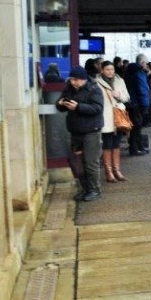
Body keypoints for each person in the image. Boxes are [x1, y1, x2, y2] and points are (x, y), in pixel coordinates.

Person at [56, 66, 104, 202]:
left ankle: (95, 190)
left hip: (91, 130)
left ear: (83, 79)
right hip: (75, 130)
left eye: (76, 80)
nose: (73, 82)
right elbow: (60, 104)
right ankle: (85, 189)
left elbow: (98, 108)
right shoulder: (68, 89)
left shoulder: (94, 89)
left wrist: (78, 107)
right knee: (78, 164)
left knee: (90, 162)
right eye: (71, 79)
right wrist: (60, 104)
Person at [96, 61, 131, 182]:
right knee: (107, 144)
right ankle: (109, 172)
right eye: (107, 69)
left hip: (118, 118)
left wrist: (119, 95)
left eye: (112, 69)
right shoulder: (97, 83)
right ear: (102, 70)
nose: (110, 72)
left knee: (116, 144)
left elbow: (127, 97)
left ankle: (117, 170)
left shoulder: (120, 81)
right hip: (105, 118)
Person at [124, 53, 150, 155]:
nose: (147, 65)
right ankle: (135, 149)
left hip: (131, 102)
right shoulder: (139, 72)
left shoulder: (130, 71)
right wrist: (145, 105)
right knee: (137, 126)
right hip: (137, 103)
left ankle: (138, 147)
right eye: (146, 63)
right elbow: (143, 89)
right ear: (142, 62)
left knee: (135, 126)